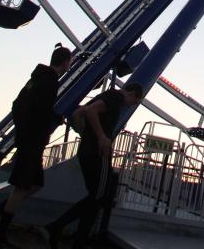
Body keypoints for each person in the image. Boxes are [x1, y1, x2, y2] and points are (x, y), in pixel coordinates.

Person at [0, 44, 73, 248]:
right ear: (65, 62)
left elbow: (17, 104)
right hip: (32, 141)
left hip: (28, 139)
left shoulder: (36, 78)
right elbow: (41, 110)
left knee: (34, 184)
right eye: (70, 62)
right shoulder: (49, 82)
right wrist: (49, 122)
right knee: (23, 185)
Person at [45, 82, 144, 249]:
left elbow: (78, 113)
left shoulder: (106, 95)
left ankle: (72, 235)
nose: (131, 105)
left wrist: (86, 135)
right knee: (101, 195)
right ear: (132, 94)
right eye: (135, 101)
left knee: (95, 196)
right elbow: (91, 111)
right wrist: (101, 137)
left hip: (86, 152)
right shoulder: (117, 98)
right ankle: (60, 228)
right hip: (99, 154)